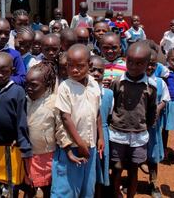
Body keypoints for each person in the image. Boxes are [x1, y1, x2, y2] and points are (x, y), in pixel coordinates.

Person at [52, 44, 103, 198]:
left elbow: (97, 112)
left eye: (80, 66)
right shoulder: (65, 87)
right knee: (66, 190)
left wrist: (101, 136)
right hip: (73, 147)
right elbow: (65, 118)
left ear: (90, 65)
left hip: (91, 146)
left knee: (87, 189)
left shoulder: (94, 83)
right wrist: (80, 144)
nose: (74, 70)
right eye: (70, 66)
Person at [109, 42, 157, 198]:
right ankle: (116, 193)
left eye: (139, 63)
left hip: (138, 135)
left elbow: (151, 111)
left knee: (133, 169)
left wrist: (144, 127)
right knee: (116, 167)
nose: (134, 66)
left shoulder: (151, 87)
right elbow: (111, 106)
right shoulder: (117, 83)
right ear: (125, 59)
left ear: (147, 64)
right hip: (117, 133)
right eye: (130, 62)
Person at [0, 52, 32, 197]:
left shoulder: (18, 92)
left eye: (4, 72)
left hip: (12, 147)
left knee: (12, 183)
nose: (0, 75)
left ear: (12, 71)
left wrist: (23, 145)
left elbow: (21, 121)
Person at [25, 62, 59, 198]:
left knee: (47, 187)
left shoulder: (54, 103)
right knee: (29, 186)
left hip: (47, 154)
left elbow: (61, 128)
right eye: (27, 84)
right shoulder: (25, 101)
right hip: (28, 153)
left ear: (48, 85)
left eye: (34, 85)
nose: (29, 88)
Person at [146, 49, 170, 198]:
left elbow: (165, 99)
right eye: (147, 64)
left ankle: (153, 182)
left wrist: (157, 109)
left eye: (153, 65)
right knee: (134, 154)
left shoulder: (160, 82)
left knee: (153, 155)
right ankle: (131, 180)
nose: (149, 67)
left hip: (153, 127)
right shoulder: (135, 80)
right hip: (137, 127)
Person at [88, 55, 113, 197]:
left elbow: (109, 114)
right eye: (92, 70)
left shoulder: (108, 94)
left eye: (100, 71)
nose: (96, 74)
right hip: (86, 135)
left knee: (100, 169)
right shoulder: (82, 92)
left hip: (102, 136)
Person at [0, 18, 26, 86]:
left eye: (7, 34)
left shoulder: (15, 55)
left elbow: (22, 78)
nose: (3, 36)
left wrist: (6, 78)